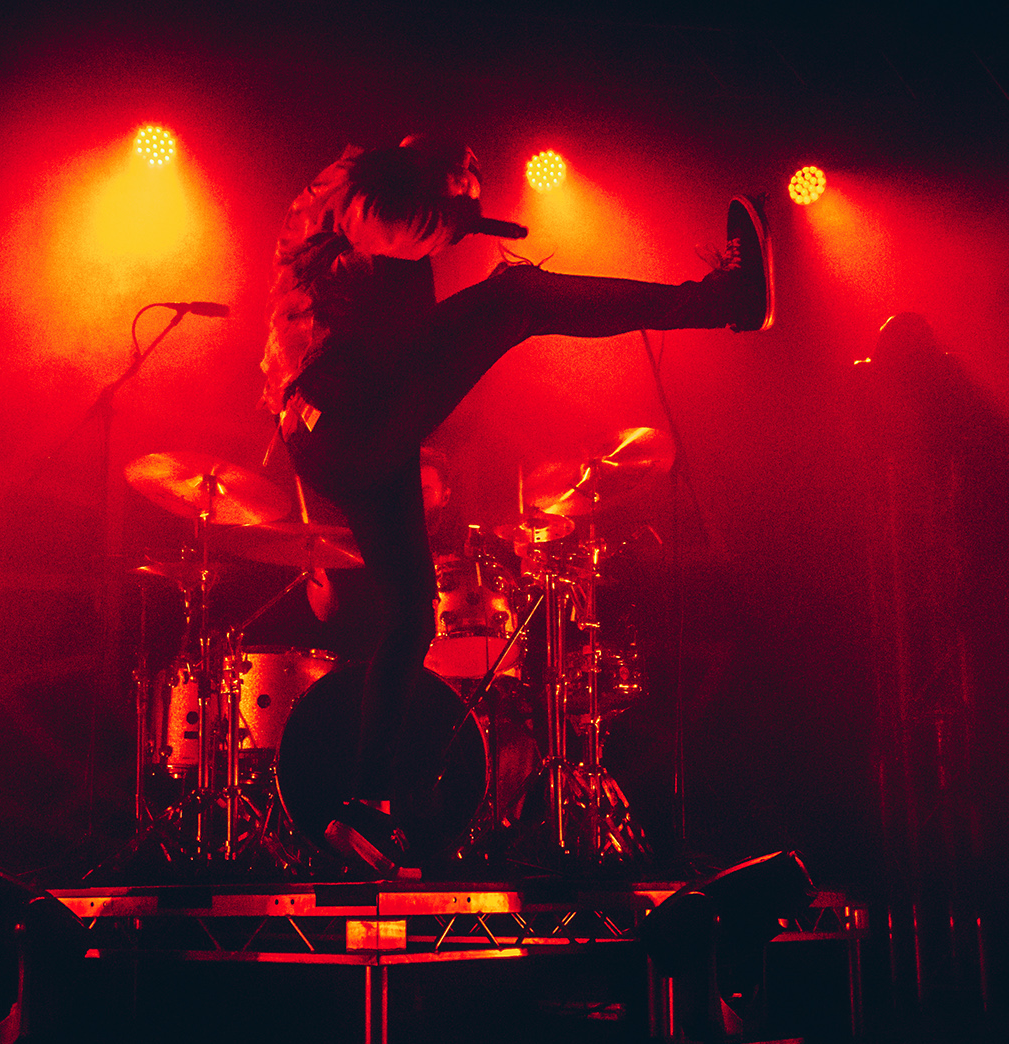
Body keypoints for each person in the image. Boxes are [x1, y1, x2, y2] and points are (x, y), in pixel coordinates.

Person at [262, 136, 773, 873]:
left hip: (350, 428)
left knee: (411, 614)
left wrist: (451, 221)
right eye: (462, 182)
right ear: (428, 170)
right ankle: (728, 299)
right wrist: (452, 218)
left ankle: (365, 807)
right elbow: (385, 224)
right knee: (519, 296)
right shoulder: (356, 190)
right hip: (342, 414)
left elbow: (403, 301)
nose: (470, 198)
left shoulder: (389, 238)